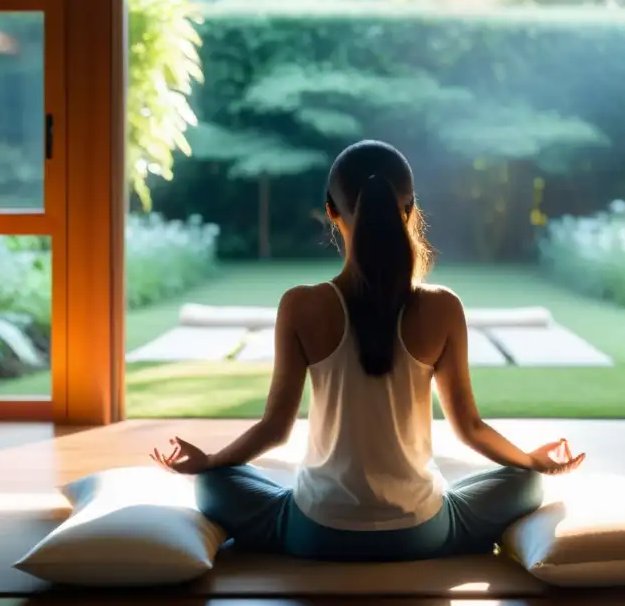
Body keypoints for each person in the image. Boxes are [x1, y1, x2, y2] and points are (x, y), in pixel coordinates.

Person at [151, 139, 586, 562]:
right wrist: (531, 461)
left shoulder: (300, 305)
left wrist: (209, 462)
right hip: (420, 532)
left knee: (213, 484)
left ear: (330, 210)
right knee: (526, 483)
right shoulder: (443, 307)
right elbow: (469, 427)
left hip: (317, 531)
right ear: (410, 208)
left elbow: (274, 429)